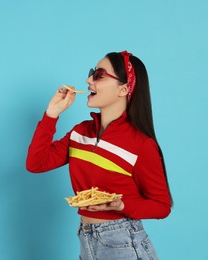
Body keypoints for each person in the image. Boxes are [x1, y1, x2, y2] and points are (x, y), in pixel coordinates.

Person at [26, 50, 172, 260]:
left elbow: (162, 206)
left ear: (123, 89)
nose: (88, 80)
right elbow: (36, 163)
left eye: (99, 75)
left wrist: (122, 205)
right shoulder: (79, 133)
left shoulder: (141, 145)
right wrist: (52, 114)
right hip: (87, 239)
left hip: (123, 242)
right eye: (91, 72)